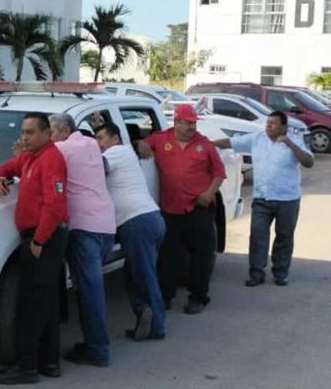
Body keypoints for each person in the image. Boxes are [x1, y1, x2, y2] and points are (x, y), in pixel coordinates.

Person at [0, 112, 68, 385]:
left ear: (47, 134)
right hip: (36, 237)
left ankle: (26, 368)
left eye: (31, 132)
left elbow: (55, 205)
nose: (25, 137)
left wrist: (38, 241)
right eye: (23, 132)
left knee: (31, 305)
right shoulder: (30, 158)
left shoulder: (51, 159)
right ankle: (48, 362)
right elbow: (7, 166)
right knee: (45, 303)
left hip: (43, 239)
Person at [138, 104, 226, 315]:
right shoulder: (160, 139)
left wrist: (209, 193)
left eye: (194, 123)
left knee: (201, 255)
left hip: (198, 207)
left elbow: (219, 173)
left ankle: (198, 297)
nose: (192, 127)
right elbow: (141, 143)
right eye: (188, 123)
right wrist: (140, 142)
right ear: (176, 122)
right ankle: (165, 296)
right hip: (170, 208)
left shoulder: (204, 145)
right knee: (169, 255)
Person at [213, 111, 313, 287]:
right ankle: (256, 273)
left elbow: (308, 162)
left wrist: (290, 144)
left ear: (283, 127)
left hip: (287, 199)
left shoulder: (294, 140)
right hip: (262, 198)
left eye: (273, 123)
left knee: (284, 236)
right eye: (268, 122)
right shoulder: (257, 138)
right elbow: (231, 142)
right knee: (258, 236)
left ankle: (280, 273)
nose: (269, 126)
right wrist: (206, 143)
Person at [47, 114, 116, 368]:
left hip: (84, 226)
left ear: (64, 130)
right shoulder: (89, 143)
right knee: (92, 289)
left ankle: (98, 349)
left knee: (89, 291)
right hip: (106, 225)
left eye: (50, 130)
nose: (48, 135)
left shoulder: (61, 149)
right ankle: (95, 344)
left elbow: (34, 159)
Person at [95, 123, 166, 341]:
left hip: (137, 222)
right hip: (149, 219)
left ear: (115, 138)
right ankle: (142, 312)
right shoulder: (125, 153)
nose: (98, 144)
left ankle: (156, 326)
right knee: (135, 273)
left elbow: (94, 166)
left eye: (101, 138)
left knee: (144, 276)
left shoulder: (116, 152)